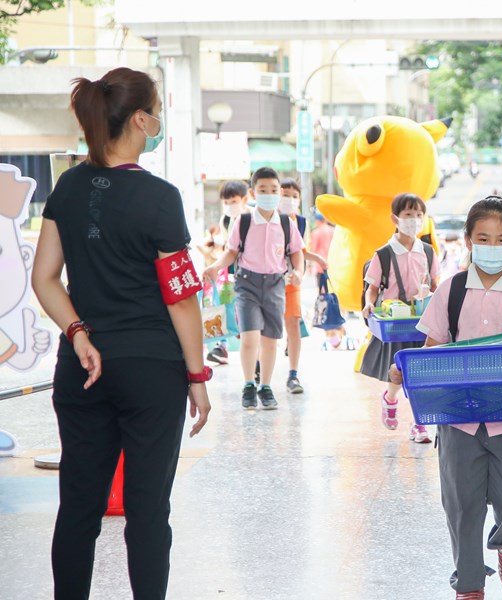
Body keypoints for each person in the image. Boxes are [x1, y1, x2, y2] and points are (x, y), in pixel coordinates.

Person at [31, 66, 211, 599]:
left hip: (82, 369)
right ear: (139, 118)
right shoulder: (159, 196)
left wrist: (78, 332)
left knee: (79, 507)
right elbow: (180, 296)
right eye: (155, 110)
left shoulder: (68, 185)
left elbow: (45, 278)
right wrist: (197, 374)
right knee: (148, 510)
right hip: (152, 370)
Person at [390, 196, 502, 600]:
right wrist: (404, 371)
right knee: (462, 506)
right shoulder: (450, 291)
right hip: (458, 419)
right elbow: (433, 347)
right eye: (483, 238)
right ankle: (469, 586)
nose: (492, 246)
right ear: (468, 240)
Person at [203, 166, 305, 410]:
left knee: (270, 340)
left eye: (273, 189)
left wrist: (299, 272)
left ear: (279, 192)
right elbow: (231, 252)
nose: (268, 193)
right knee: (250, 338)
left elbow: (297, 252)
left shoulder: (286, 223)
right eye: (263, 189)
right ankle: (249, 384)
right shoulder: (244, 220)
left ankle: (265, 387)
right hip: (247, 283)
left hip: (275, 284)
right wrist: (216, 267)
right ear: (253, 192)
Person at [360, 193, 439, 444]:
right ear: (395, 218)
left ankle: (419, 425)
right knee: (398, 372)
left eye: (418, 215)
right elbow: (372, 286)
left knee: (422, 375)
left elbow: (436, 284)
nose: (414, 220)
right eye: (408, 215)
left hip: (422, 322)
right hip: (396, 323)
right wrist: (370, 303)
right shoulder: (383, 254)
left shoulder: (427, 251)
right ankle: (390, 399)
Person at [278, 178, 327, 394]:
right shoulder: (265, 219)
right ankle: (259, 371)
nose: (289, 199)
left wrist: (315, 259)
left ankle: (293, 374)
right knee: (265, 329)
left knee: (293, 324)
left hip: (291, 279)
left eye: (293, 196)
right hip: (267, 280)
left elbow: (300, 250)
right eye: (284, 194)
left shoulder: (300, 221)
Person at [199, 179, 249, 365]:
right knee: (226, 305)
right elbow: (230, 249)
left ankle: (253, 355)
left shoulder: (253, 217)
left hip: (251, 274)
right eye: (226, 202)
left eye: (233, 201)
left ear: (245, 199)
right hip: (230, 274)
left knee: (246, 312)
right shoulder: (226, 219)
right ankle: (222, 346)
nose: (229, 206)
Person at [308, 211, 334, 278]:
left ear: (317, 221)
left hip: (320, 265)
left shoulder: (316, 232)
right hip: (333, 263)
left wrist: (310, 265)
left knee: (322, 287)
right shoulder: (333, 230)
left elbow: (312, 249)